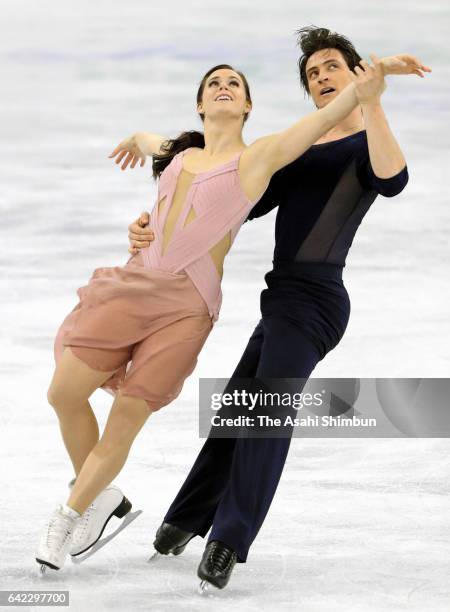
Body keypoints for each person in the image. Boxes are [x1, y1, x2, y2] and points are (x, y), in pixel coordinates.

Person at [34, 42, 423, 575]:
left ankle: (229, 541)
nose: (322, 77)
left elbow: (393, 178)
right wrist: (151, 224)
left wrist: (373, 99)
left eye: (333, 67)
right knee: (238, 408)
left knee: (267, 410)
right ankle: (187, 518)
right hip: (279, 297)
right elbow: (231, 197)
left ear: (354, 74)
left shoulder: (360, 142)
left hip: (317, 300)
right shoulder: (292, 153)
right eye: (313, 73)